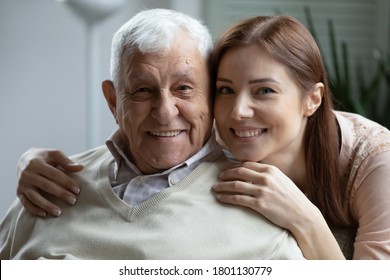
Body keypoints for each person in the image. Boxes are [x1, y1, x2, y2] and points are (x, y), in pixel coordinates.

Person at [13, 14, 390, 260]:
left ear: (312, 99)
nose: (239, 111)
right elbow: (150, 133)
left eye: (264, 91)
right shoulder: (223, 132)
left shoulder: (376, 161)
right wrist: (32, 159)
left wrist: (306, 220)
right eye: (225, 90)